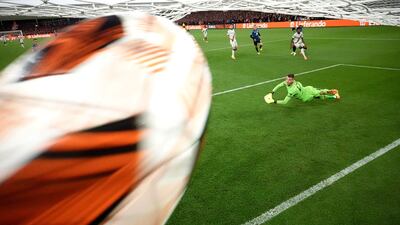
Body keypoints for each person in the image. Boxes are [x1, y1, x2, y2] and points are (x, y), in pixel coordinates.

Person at [265, 74, 340, 104]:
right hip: (306, 89)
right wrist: (272, 92)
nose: (287, 81)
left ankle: (330, 92)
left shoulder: (292, 90)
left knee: (319, 94)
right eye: (287, 79)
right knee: (319, 96)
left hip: (306, 96)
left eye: (289, 79)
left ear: (293, 80)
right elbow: (279, 85)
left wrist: (273, 101)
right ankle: (334, 96)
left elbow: (284, 102)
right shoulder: (288, 82)